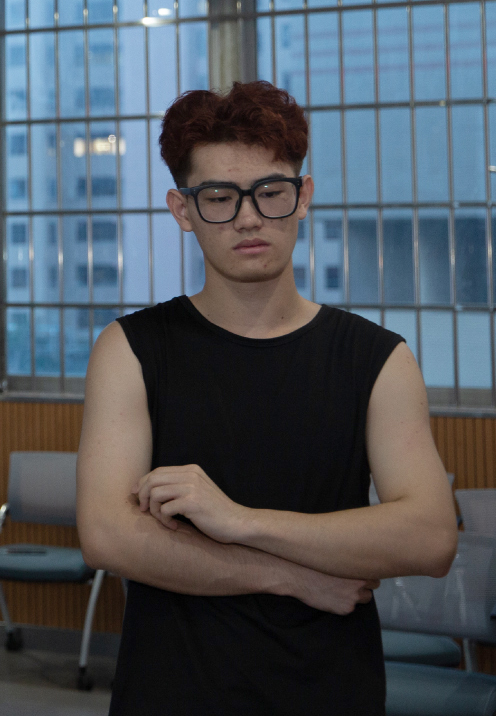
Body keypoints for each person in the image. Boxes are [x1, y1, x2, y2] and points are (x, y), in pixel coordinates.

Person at [75, 81, 459, 715]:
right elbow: (107, 535)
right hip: (172, 690)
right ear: (183, 210)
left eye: (270, 192)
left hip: (329, 689)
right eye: (219, 197)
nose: (248, 218)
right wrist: (289, 576)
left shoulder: (377, 358)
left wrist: (240, 521)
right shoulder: (131, 349)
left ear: (302, 197)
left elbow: (430, 537)